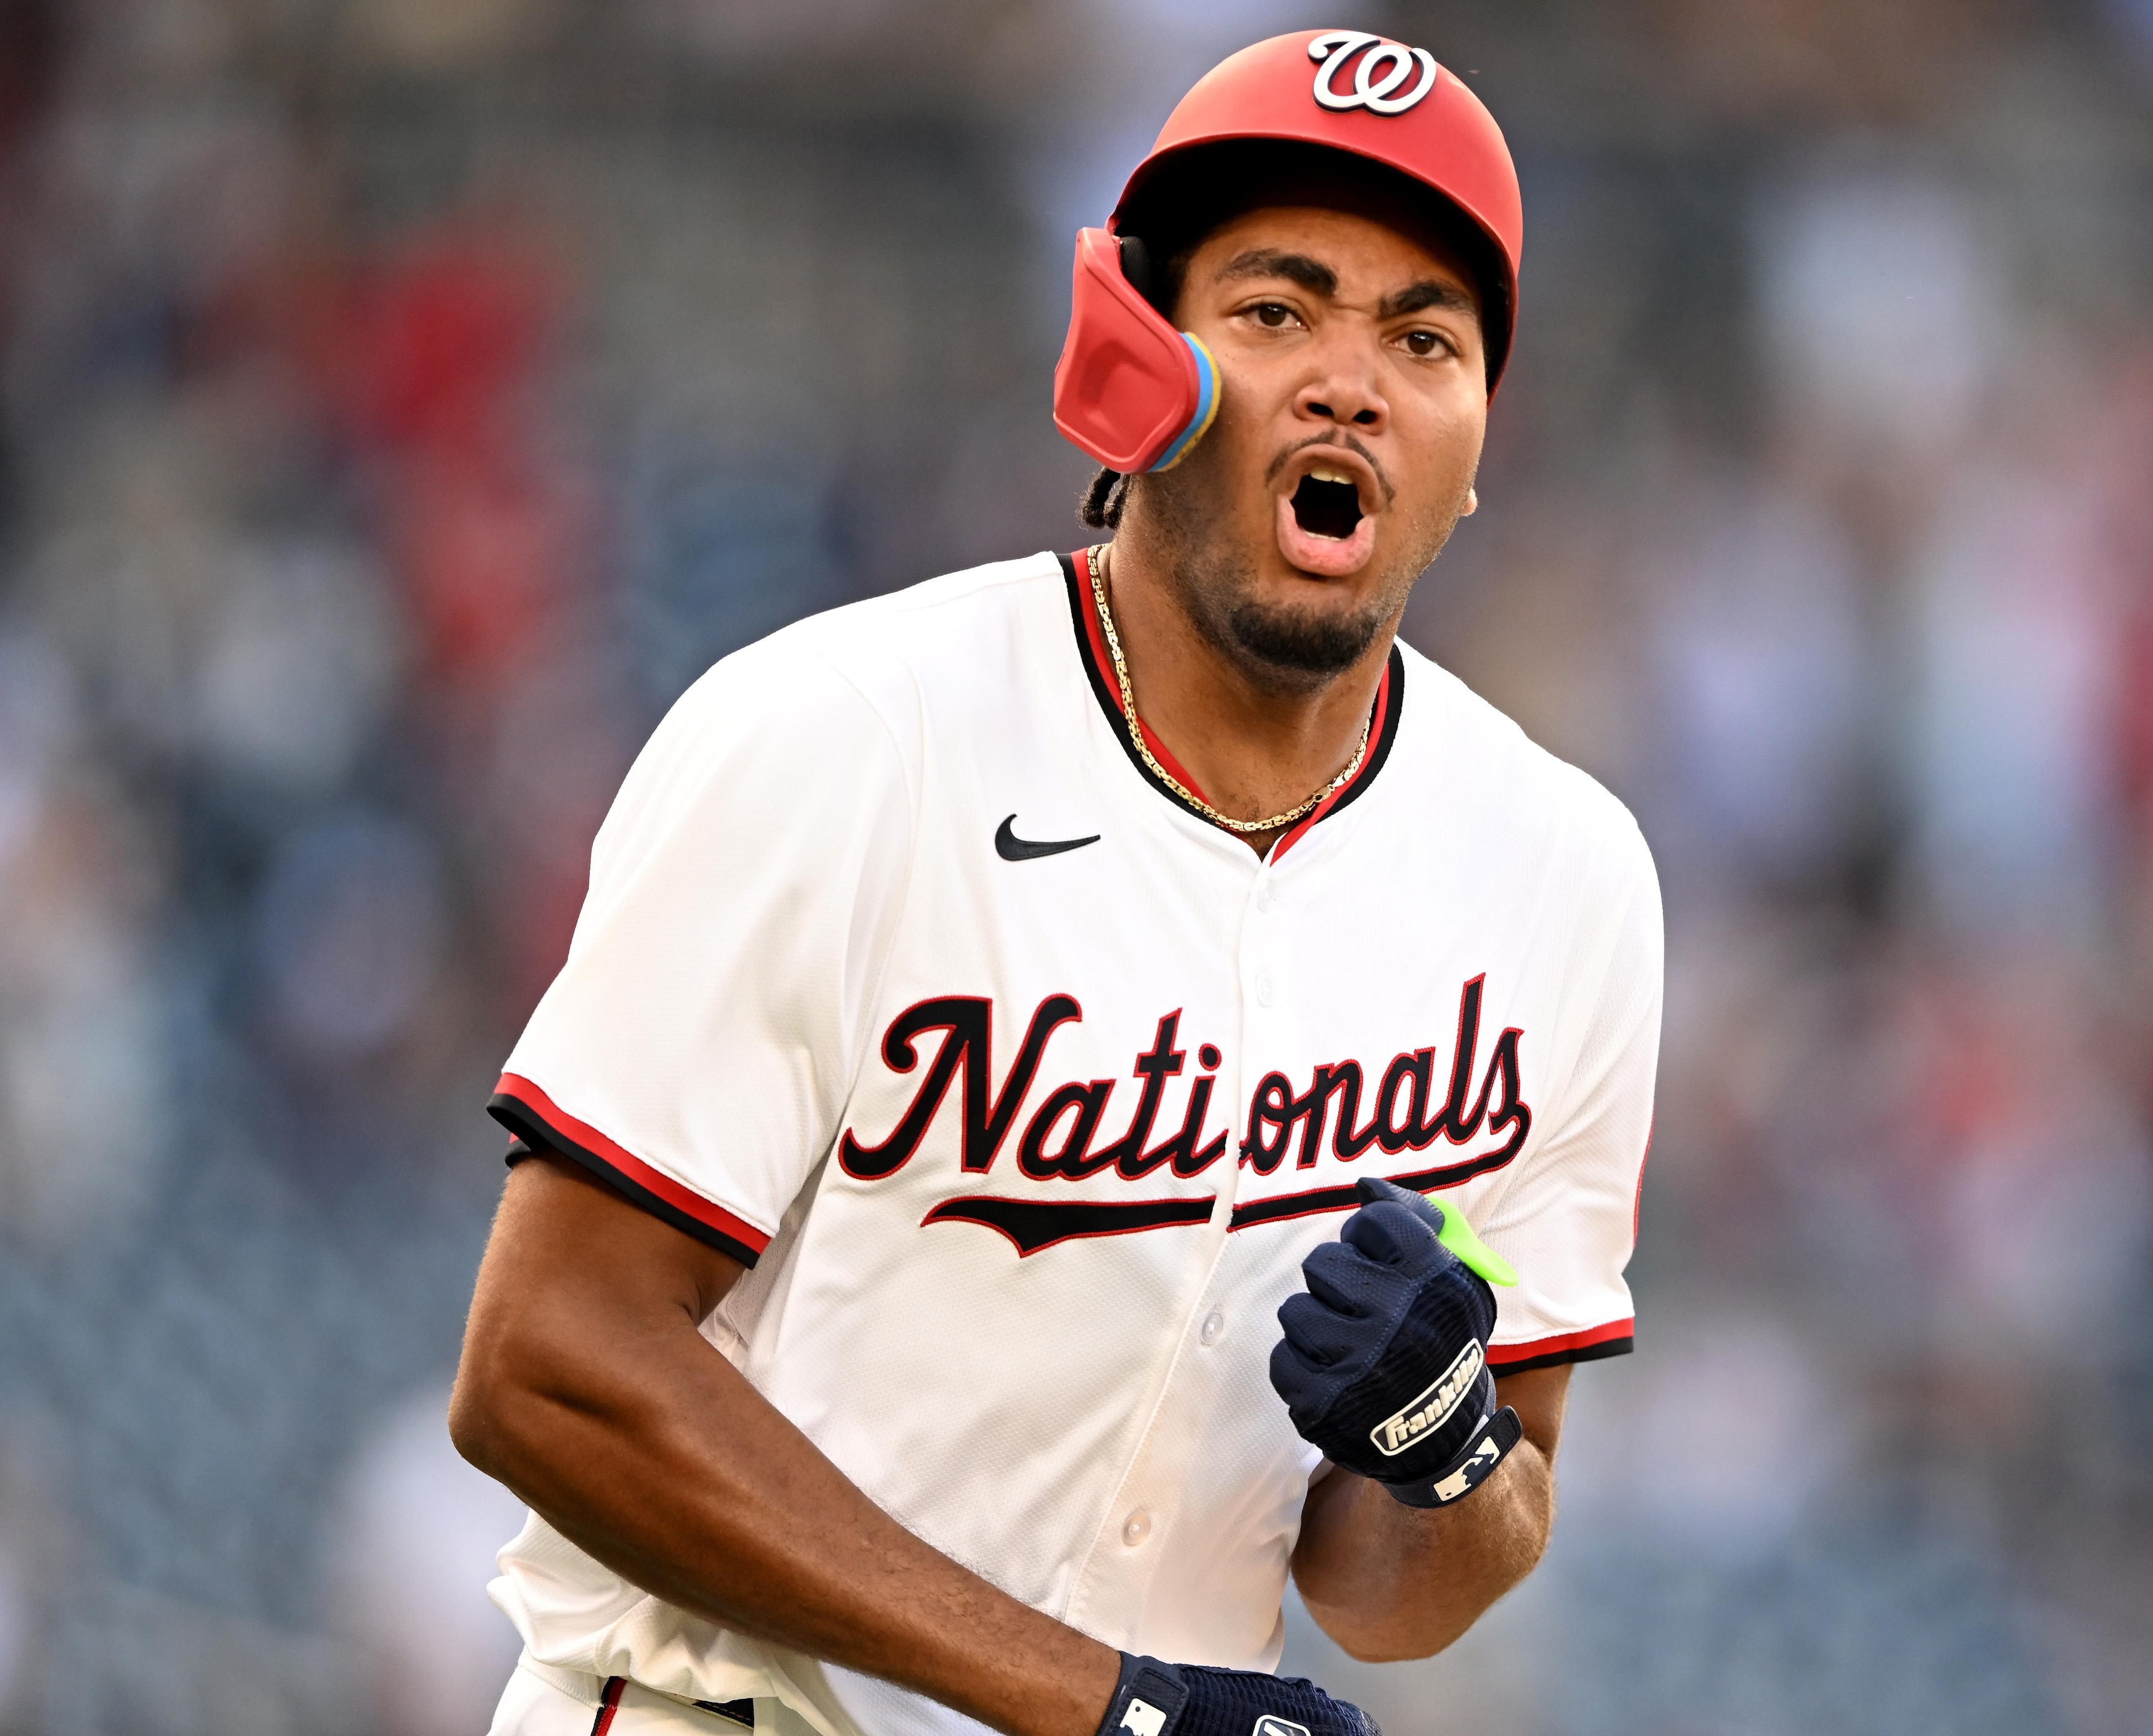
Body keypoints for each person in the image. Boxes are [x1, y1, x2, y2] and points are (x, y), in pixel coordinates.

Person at [448, 31, 1661, 1736]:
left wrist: (1443, 1444)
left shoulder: (1565, 878)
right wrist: (1100, 1705)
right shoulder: (845, 739)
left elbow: (1393, 1598)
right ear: (1130, 359)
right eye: (1275, 309)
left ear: (1474, 443)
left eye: (1424, 336)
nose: (1349, 380)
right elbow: (545, 1369)